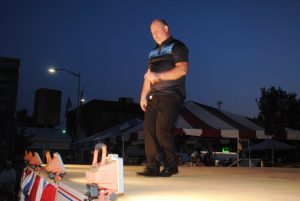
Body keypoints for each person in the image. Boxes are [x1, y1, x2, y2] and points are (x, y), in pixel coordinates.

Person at [137, 19, 189, 177]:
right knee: (149, 129)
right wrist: (143, 96)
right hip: (154, 95)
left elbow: (182, 70)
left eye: (157, 31)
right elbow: (148, 76)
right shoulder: (152, 52)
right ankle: (152, 166)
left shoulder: (177, 46)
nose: (154, 35)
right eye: (152, 33)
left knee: (162, 128)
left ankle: (171, 165)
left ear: (166, 28)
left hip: (172, 94)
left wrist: (158, 76)